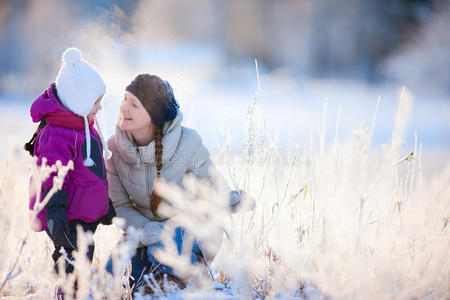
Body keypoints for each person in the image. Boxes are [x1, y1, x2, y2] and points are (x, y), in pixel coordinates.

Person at [106, 74, 253, 289]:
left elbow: (213, 185)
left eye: (134, 104)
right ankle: (155, 277)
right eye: (124, 99)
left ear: (153, 115)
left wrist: (229, 199)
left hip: (191, 231)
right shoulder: (115, 150)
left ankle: (194, 280)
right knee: (113, 281)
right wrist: (145, 230)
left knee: (164, 246)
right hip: (144, 235)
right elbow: (121, 206)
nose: (124, 108)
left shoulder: (187, 143)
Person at [26, 48, 116, 280]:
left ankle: (74, 292)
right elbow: (51, 177)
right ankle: (66, 294)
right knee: (72, 259)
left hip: (80, 215)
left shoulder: (83, 125)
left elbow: (89, 172)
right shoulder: (58, 134)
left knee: (82, 255)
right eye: (96, 102)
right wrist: (55, 213)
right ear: (79, 102)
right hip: (64, 216)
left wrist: (103, 205)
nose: (100, 107)